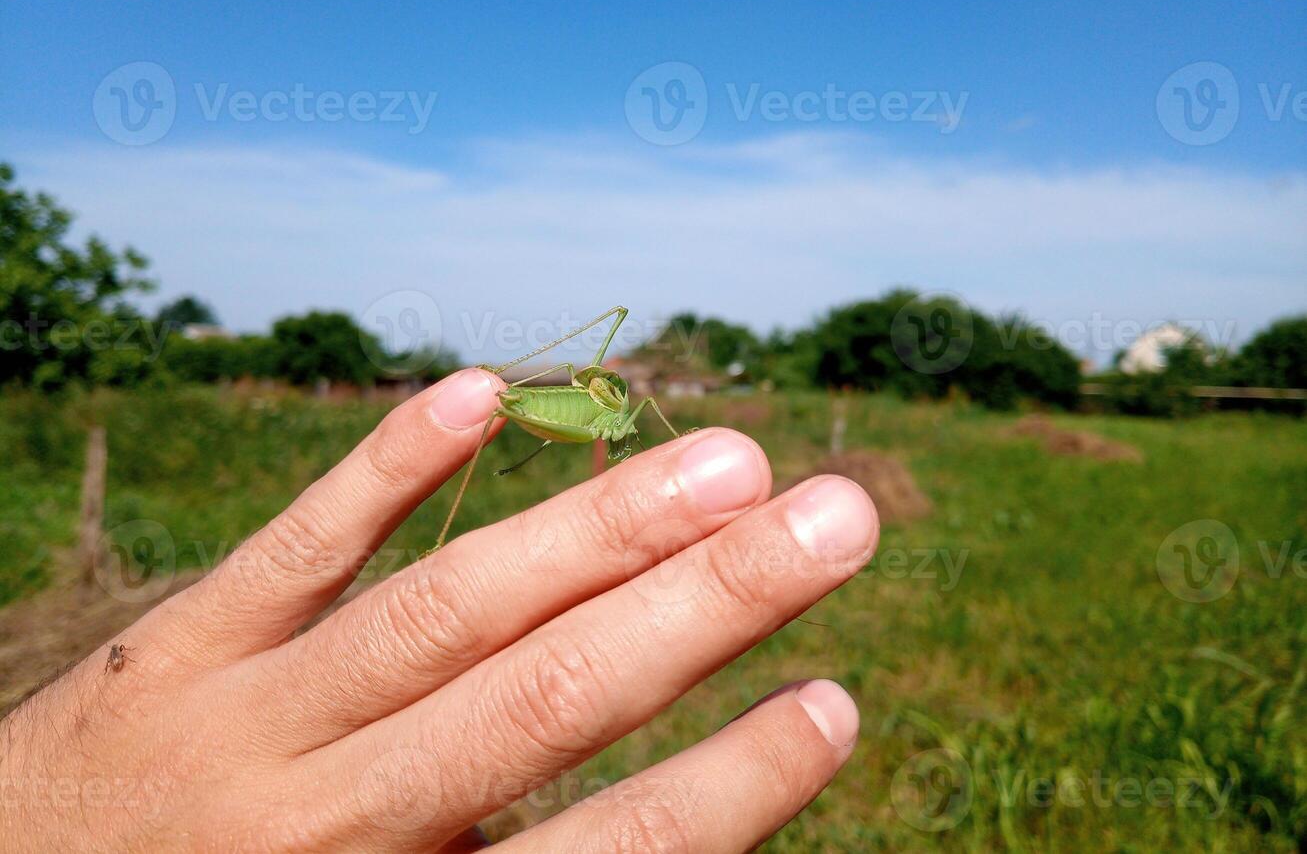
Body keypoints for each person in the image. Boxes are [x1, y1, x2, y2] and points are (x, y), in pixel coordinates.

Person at [0, 368, 878, 851]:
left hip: (567, 416)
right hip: (548, 407)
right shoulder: (591, 408)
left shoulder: (621, 418)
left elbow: (622, 416)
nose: (637, 418)